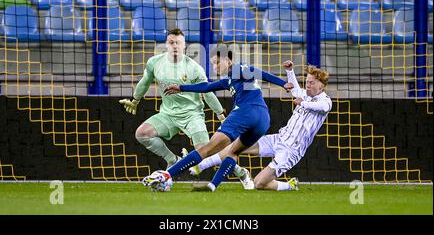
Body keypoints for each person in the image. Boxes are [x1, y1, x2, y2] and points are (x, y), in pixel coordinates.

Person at [142, 48, 294, 192]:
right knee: (233, 151)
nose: (215, 66)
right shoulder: (231, 80)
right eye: (213, 63)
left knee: (206, 149)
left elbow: (257, 72)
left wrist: (283, 83)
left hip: (246, 112)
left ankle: (166, 175)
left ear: (228, 61)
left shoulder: (237, 68)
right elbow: (207, 86)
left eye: (217, 62)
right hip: (263, 120)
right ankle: (212, 185)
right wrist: (181, 88)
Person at [119, 29, 253, 189]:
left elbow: (208, 93)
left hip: (192, 115)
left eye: (178, 43)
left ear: (184, 45)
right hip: (167, 114)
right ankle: (172, 160)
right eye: (171, 42)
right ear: (166, 45)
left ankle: (241, 172)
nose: (174, 45)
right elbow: (145, 81)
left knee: (206, 152)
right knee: (142, 133)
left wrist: (219, 114)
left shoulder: (194, 68)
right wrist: (135, 100)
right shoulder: (155, 62)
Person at [191, 60, 332, 191]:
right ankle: (201, 165)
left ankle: (289, 186)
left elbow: (320, 107)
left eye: (311, 83)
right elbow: (294, 89)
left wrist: (302, 103)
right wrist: (290, 71)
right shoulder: (304, 94)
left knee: (259, 183)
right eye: (307, 82)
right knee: (234, 147)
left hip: (292, 150)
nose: (307, 85)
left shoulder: (326, 101)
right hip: (279, 138)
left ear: (321, 86)